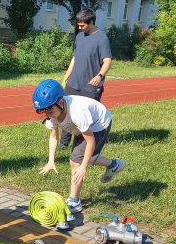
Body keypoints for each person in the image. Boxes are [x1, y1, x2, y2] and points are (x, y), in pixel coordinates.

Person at [33, 79, 125, 228]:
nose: (47, 114)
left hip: (98, 124)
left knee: (77, 161)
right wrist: (51, 161)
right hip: (82, 126)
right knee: (85, 158)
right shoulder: (53, 114)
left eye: (49, 110)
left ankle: (74, 201)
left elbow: (90, 142)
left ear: (61, 102)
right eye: (43, 111)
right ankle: (114, 165)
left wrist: (83, 167)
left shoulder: (77, 113)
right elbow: (54, 137)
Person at [59, 8, 112, 148]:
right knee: (66, 112)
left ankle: (82, 144)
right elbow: (75, 58)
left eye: (82, 25)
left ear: (91, 22)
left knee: (85, 117)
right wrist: (66, 76)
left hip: (90, 86)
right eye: (78, 25)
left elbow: (107, 61)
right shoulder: (79, 36)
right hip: (73, 83)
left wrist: (99, 76)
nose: (79, 27)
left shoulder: (102, 38)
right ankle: (64, 143)